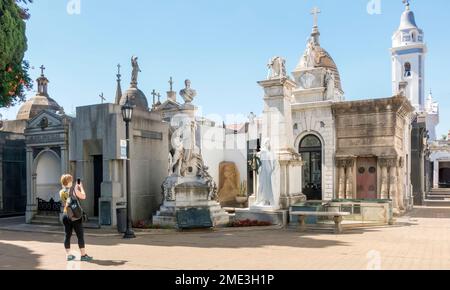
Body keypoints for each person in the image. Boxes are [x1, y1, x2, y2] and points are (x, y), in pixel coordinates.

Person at [59, 174, 93, 262]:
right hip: (74, 216)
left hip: (66, 215)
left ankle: (68, 255)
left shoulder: (61, 191)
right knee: (80, 236)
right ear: (69, 182)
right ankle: (83, 255)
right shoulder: (73, 190)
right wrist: (81, 187)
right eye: (71, 180)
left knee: (67, 235)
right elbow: (83, 196)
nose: (72, 181)